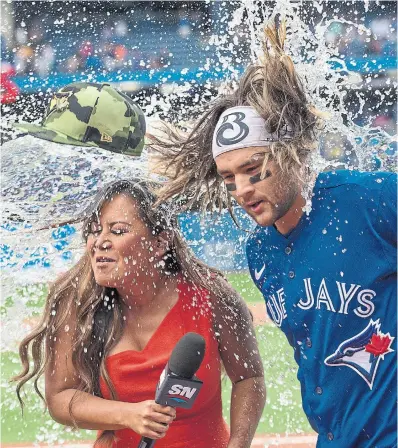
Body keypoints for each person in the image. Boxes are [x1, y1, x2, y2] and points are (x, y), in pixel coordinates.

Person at [149, 20, 397, 448]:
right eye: (229, 177)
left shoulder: (366, 201)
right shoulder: (260, 253)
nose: (243, 189)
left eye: (254, 169)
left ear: (289, 152)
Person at [13, 179, 265, 448]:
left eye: (118, 231)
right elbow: (60, 399)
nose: (100, 242)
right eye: (94, 231)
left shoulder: (212, 297)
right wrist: (128, 414)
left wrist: (238, 444)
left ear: (159, 243)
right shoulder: (76, 304)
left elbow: (249, 378)